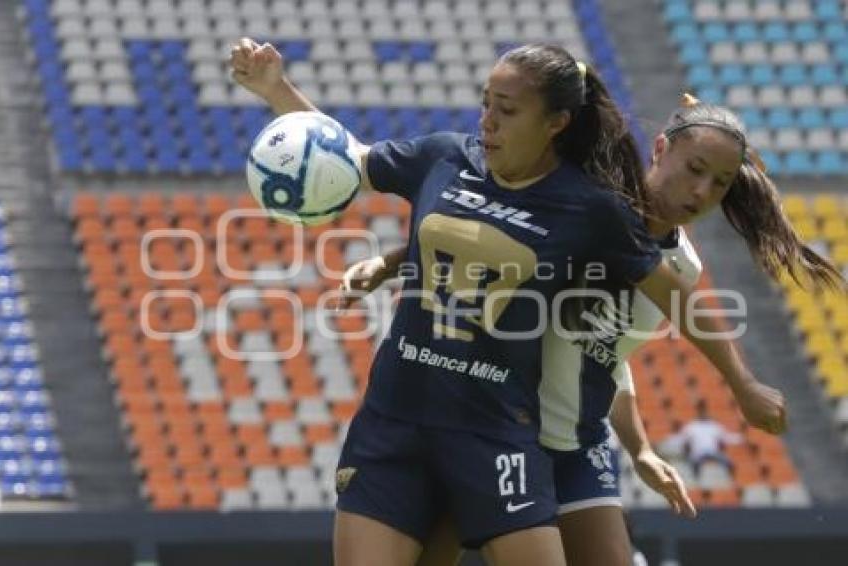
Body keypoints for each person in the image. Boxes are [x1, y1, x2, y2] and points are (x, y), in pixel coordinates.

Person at [230, 38, 790, 566]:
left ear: (556, 123)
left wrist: (735, 388)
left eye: (507, 110)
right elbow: (346, 159)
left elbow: (631, 335)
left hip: (521, 433)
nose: (488, 120)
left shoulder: (601, 216)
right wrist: (277, 92)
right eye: (486, 104)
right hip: (411, 417)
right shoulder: (453, 159)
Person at [335, 93, 844, 566]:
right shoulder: (582, 201)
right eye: (694, 170)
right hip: (496, 428)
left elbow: (605, 354)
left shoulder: (681, 267)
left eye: (720, 183)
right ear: (660, 149)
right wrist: (394, 260)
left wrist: (640, 447)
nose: (701, 191)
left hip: (574, 441)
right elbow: (478, 235)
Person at [663, 399, 743, 476]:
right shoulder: (692, 426)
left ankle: (733, 480)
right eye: (701, 411)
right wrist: (666, 440)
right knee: (695, 463)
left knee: (728, 462)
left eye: (704, 411)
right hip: (698, 453)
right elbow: (680, 439)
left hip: (713, 452)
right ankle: (697, 480)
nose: (703, 413)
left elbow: (726, 437)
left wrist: (741, 438)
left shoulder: (714, 426)